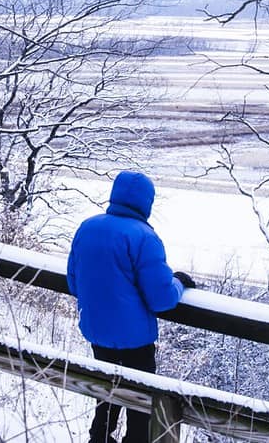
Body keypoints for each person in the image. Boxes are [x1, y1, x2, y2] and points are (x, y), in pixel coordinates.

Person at [66, 170, 197, 443]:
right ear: (146, 203)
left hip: (97, 332)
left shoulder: (87, 227)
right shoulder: (144, 238)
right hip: (135, 341)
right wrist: (179, 282)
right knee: (140, 407)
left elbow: (74, 283)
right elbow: (162, 299)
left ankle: (98, 439)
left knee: (107, 394)